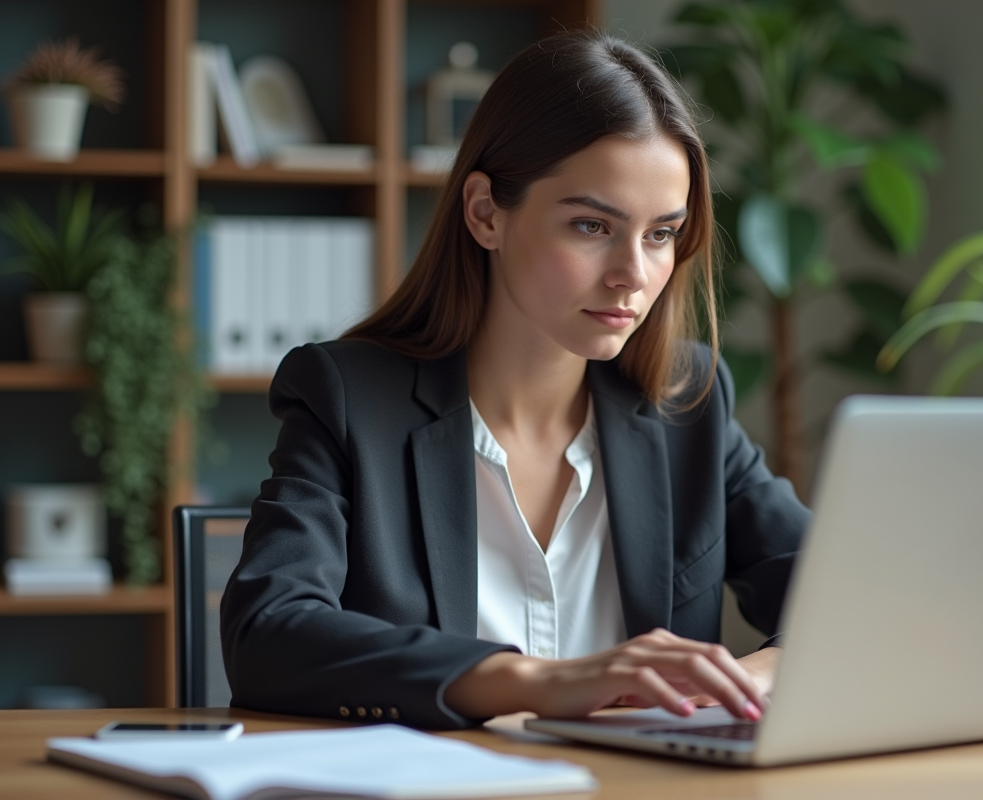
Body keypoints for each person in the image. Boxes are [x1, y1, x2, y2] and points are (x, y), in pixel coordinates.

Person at [220, 30, 810, 731]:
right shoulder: (348, 398)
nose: (634, 274)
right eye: (592, 226)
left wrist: (744, 681)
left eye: (661, 234)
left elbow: (849, 600)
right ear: (485, 213)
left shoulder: (690, 400)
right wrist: (534, 681)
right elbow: (267, 632)